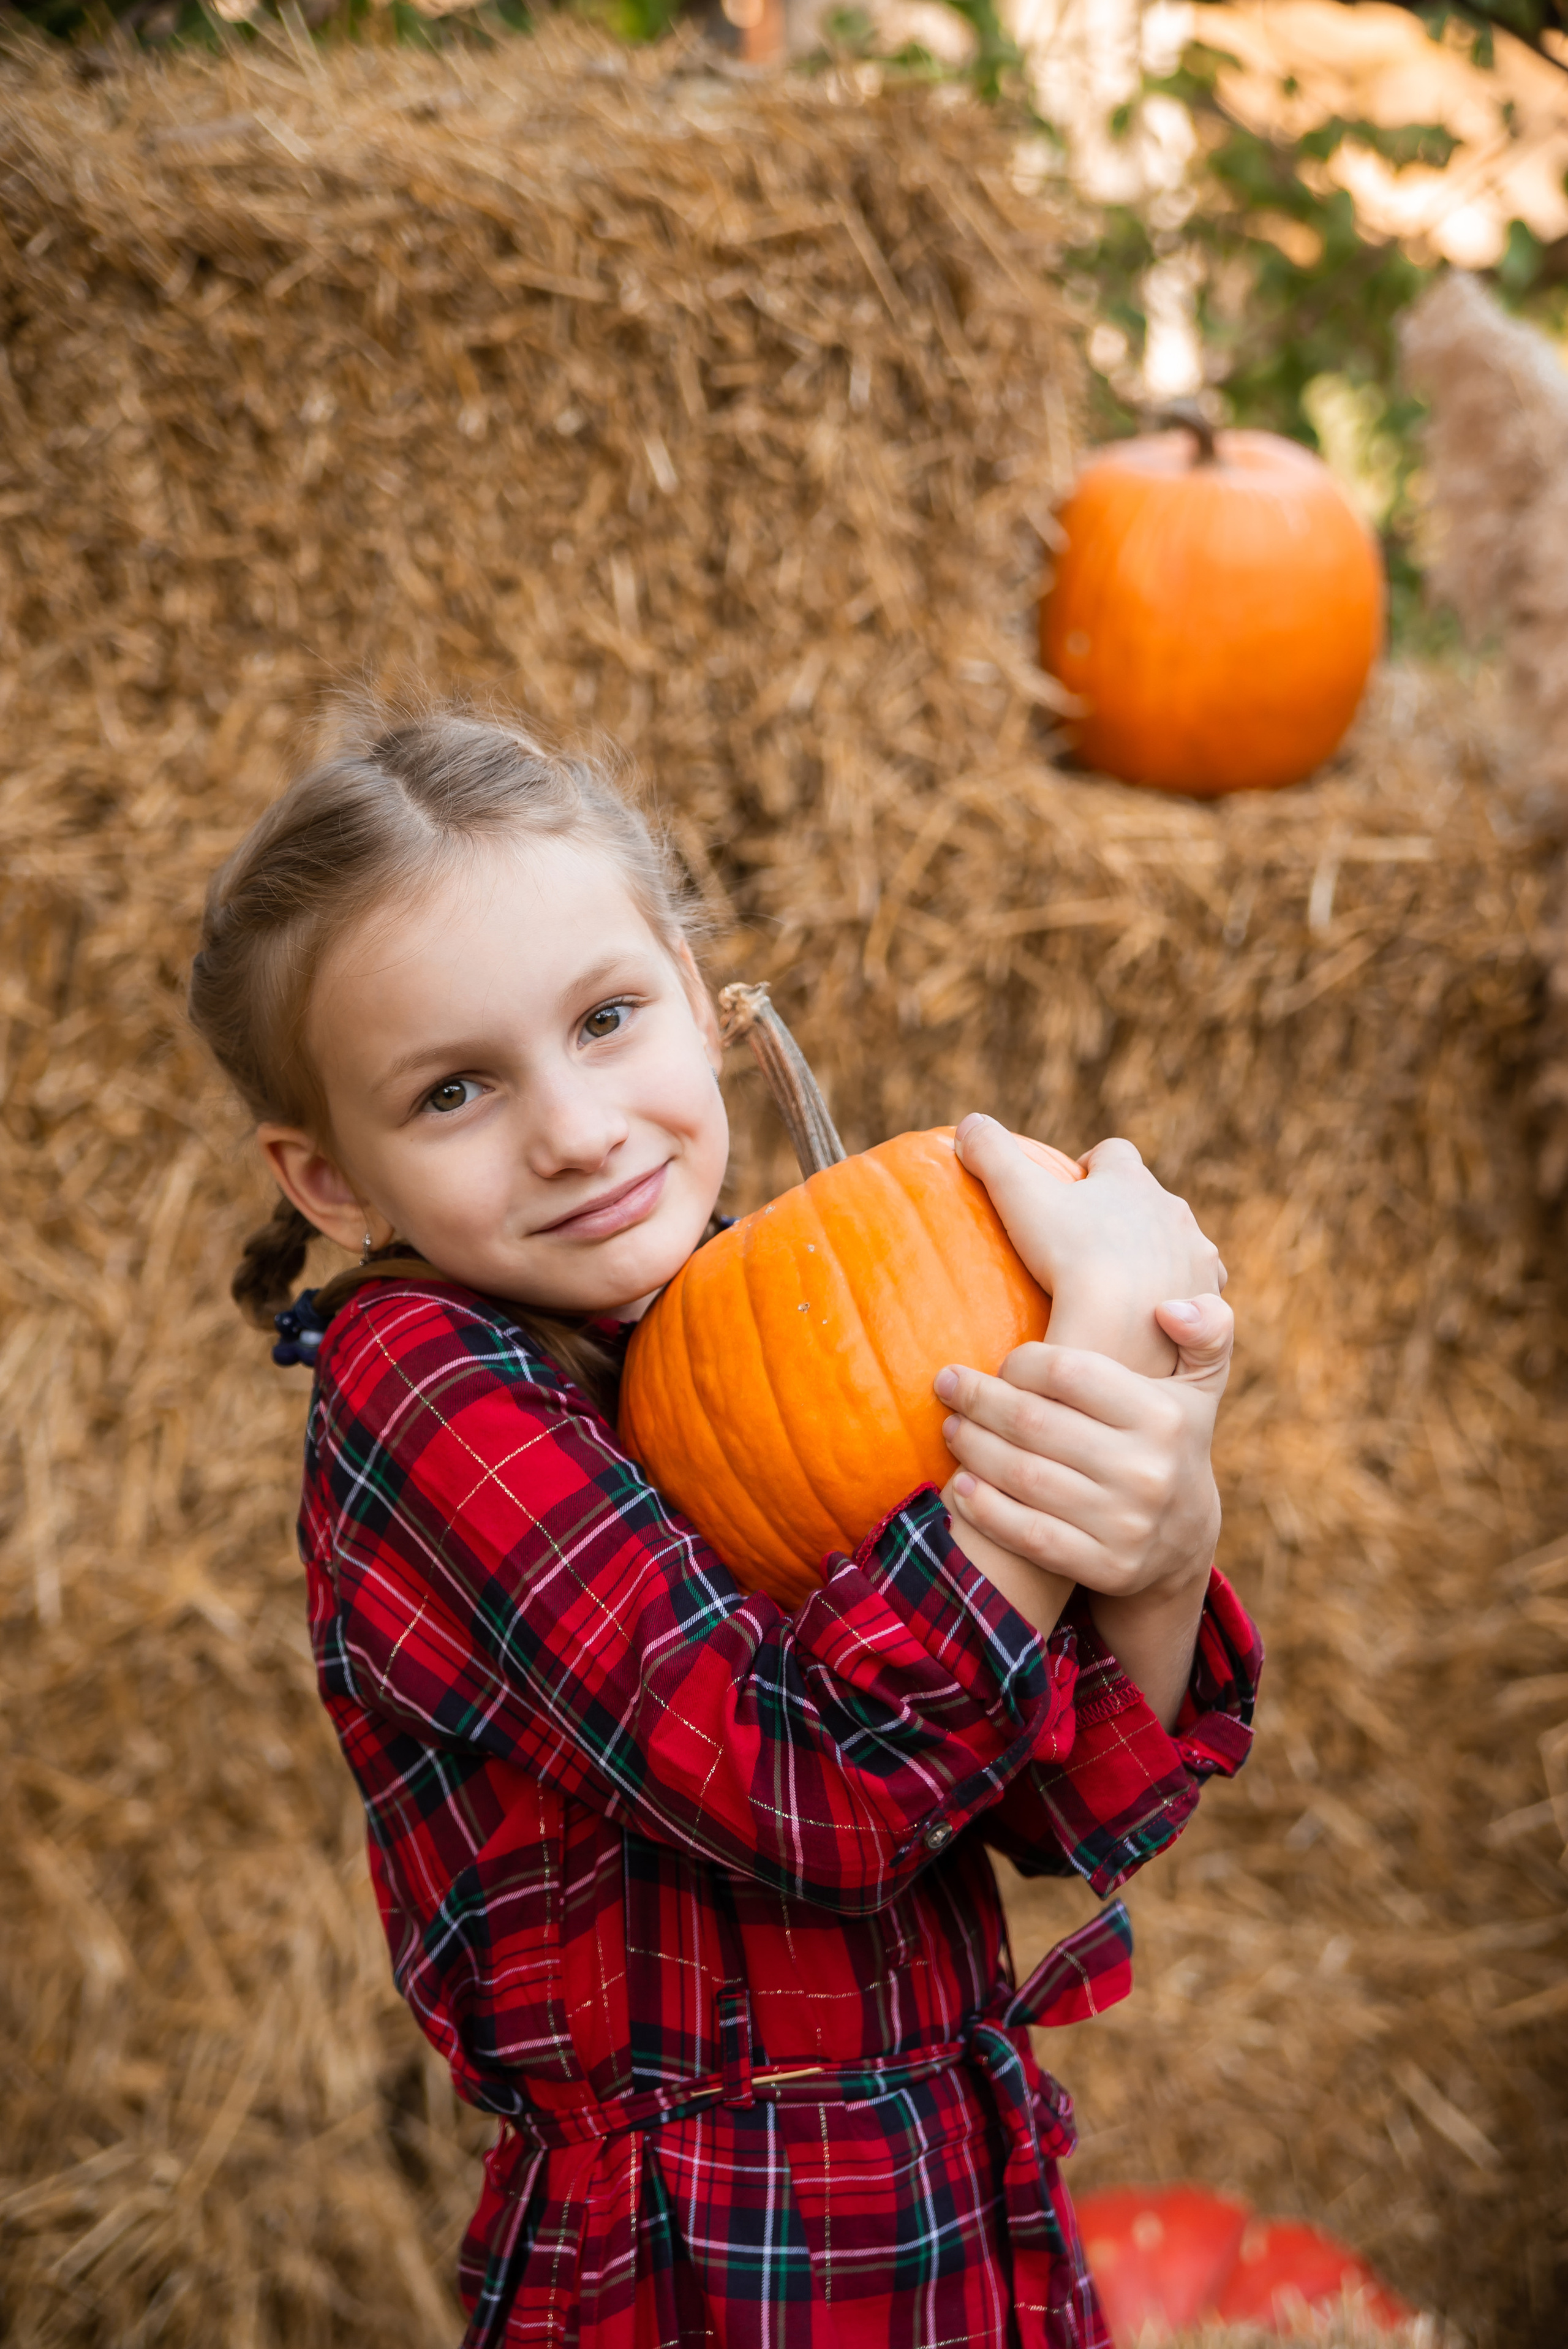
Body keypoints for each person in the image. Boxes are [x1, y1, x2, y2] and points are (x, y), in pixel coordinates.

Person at [188, 702, 1260, 2349]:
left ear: (702, 1000)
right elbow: (814, 1788)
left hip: (965, 2221)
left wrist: (1162, 1530)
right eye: (456, 1087)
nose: (577, 1126)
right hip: (699, 2265)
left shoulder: (761, 1331)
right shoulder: (418, 1386)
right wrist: (1092, 1340)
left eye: (610, 1017)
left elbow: (1063, 1803)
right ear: (332, 1180)